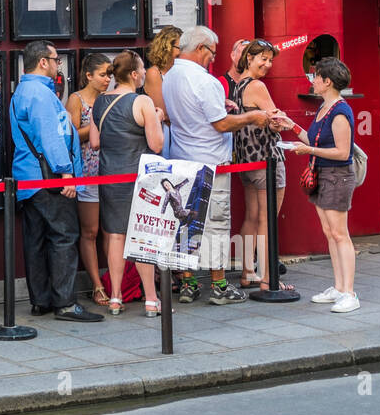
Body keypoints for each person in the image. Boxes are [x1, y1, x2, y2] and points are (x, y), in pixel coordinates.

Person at [162, 26, 271, 306]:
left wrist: (220, 104)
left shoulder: (171, 76)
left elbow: (189, 113)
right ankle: (220, 286)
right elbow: (220, 124)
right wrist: (252, 117)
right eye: (211, 52)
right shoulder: (205, 80)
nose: (213, 58)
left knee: (185, 224)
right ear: (200, 49)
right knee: (215, 226)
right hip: (211, 162)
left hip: (181, 159)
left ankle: (188, 284)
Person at [10, 39, 102, 322]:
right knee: (63, 237)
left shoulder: (23, 91)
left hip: (29, 178)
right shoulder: (40, 94)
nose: (57, 64)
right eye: (55, 59)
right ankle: (64, 303)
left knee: (36, 240)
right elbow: (51, 136)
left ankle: (42, 300)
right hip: (49, 178)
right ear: (42, 62)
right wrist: (66, 174)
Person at [90, 51, 165, 316]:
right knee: (142, 237)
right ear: (134, 74)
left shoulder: (99, 102)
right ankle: (151, 299)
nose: (145, 73)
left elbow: (95, 142)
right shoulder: (142, 100)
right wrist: (156, 116)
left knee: (115, 236)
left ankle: (115, 297)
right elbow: (156, 144)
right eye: (143, 68)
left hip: (109, 175)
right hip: (139, 176)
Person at [289, 57, 360, 313]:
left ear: (327, 81)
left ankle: (349, 292)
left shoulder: (340, 111)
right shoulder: (325, 108)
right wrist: (292, 127)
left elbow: (343, 152)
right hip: (322, 174)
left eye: (316, 77)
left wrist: (308, 149)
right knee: (331, 233)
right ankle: (339, 288)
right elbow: (314, 139)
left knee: (340, 234)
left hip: (336, 176)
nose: (313, 81)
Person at [232, 40, 294, 293]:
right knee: (269, 221)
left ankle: (248, 272)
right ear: (249, 58)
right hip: (267, 160)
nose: (267, 65)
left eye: (270, 60)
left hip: (247, 162)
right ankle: (269, 278)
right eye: (263, 59)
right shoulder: (257, 86)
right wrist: (289, 126)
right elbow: (276, 119)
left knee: (252, 217)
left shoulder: (237, 85)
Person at [66, 52, 112, 305]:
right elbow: (71, 137)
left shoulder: (109, 99)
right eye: (103, 75)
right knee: (90, 231)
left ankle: (115, 282)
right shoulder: (77, 100)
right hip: (86, 171)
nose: (107, 80)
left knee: (112, 230)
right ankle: (96, 284)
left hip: (110, 170)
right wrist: (97, 124)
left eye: (110, 75)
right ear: (88, 75)